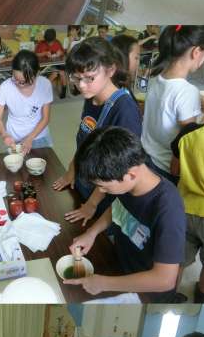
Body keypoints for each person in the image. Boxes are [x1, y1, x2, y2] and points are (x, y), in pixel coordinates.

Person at [67, 127, 186, 302]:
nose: (100, 191)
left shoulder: (168, 210)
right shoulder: (132, 178)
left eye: (103, 187)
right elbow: (119, 207)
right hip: (121, 265)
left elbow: (164, 280)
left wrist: (103, 283)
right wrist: (91, 233)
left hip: (145, 292)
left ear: (130, 175)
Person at [53, 38, 142, 225]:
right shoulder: (92, 96)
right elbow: (85, 140)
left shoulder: (124, 110)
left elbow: (117, 169)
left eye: (89, 77)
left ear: (110, 70)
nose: (81, 85)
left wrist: (92, 204)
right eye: (76, 78)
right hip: (86, 178)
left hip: (105, 194)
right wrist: (72, 169)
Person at [141, 25, 204, 182]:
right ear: (196, 52)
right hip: (167, 168)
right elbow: (190, 140)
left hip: (147, 157)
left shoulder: (157, 78)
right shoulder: (187, 91)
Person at [171, 112, 204, 302]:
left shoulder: (190, 133)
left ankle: (169, 296)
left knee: (176, 261)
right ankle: (201, 296)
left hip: (184, 209)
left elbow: (174, 170)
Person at [0, 49, 53, 154]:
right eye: (15, 78)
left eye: (23, 82)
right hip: (14, 137)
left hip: (38, 135)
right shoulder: (5, 87)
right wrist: (4, 134)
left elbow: (45, 118)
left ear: (36, 74)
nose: (17, 83)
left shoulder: (45, 85)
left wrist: (30, 138)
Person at [35, 28, 67, 98]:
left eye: (51, 42)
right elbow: (35, 54)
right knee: (54, 74)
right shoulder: (41, 43)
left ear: (54, 39)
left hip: (56, 64)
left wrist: (60, 53)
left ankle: (64, 91)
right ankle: (43, 90)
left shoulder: (57, 42)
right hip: (44, 65)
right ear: (45, 39)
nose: (50, 44)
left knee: (62, 72)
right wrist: (44, 53)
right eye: (48, 42)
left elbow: (62, 52)